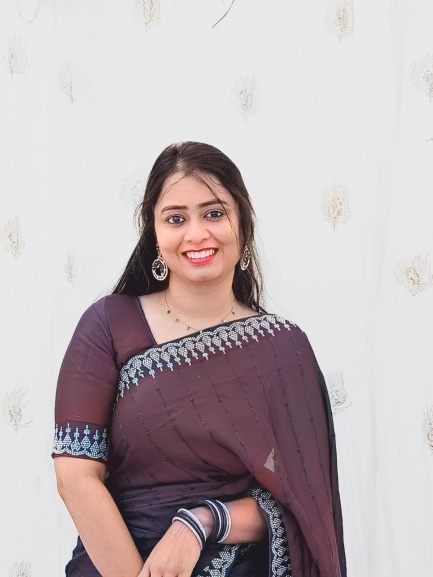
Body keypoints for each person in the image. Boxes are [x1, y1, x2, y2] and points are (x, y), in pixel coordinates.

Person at [52, 141, 347, 577]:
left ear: (243, 225)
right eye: (176, 218)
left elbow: (302, 502)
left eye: (213, 213)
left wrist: (201, 522)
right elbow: (76, 478)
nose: (196, 234)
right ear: (154, 234)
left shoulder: (283, 350)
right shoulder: (109, 325)